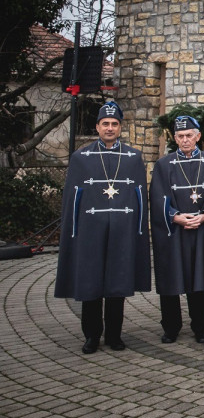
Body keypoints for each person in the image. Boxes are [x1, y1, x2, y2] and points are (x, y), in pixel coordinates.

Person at [54, 101, 150, 354]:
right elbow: (72, 199)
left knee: (118, 283)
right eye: (105, 123)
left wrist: (136, 229)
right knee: (91, 283)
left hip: (122, 232)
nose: (109, 128)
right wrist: (74, 231)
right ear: (97, 127)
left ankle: (115, 335)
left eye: (114, 124)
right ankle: (92, 335)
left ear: (120, 127)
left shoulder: (133, 158)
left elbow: (139, 197)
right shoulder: (81, 157)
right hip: (90, 233)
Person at [150, 115, 204, 344]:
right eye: (180, 136)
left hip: (201, 230)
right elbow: (158, 197)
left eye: (189, 135)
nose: (185, 140)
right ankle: (171, 327)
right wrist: (175, 216)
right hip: (174, 232)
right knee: (170, 279)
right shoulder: (164, 165)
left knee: (198, 280)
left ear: (198, 136)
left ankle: (200, 327)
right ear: (175, 138)